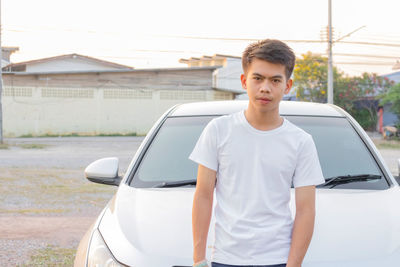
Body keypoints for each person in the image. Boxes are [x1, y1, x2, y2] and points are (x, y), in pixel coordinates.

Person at [189, 39, 325, 267]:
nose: (265, 88)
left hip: (278, 259)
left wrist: (293, 265)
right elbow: (203, 195)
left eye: (275, 80)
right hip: (225, 258)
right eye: (258, 78)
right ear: (244, 81)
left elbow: (306, 210)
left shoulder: (301, 142)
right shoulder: (218, 130)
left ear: (287, 86)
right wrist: (198, 260)